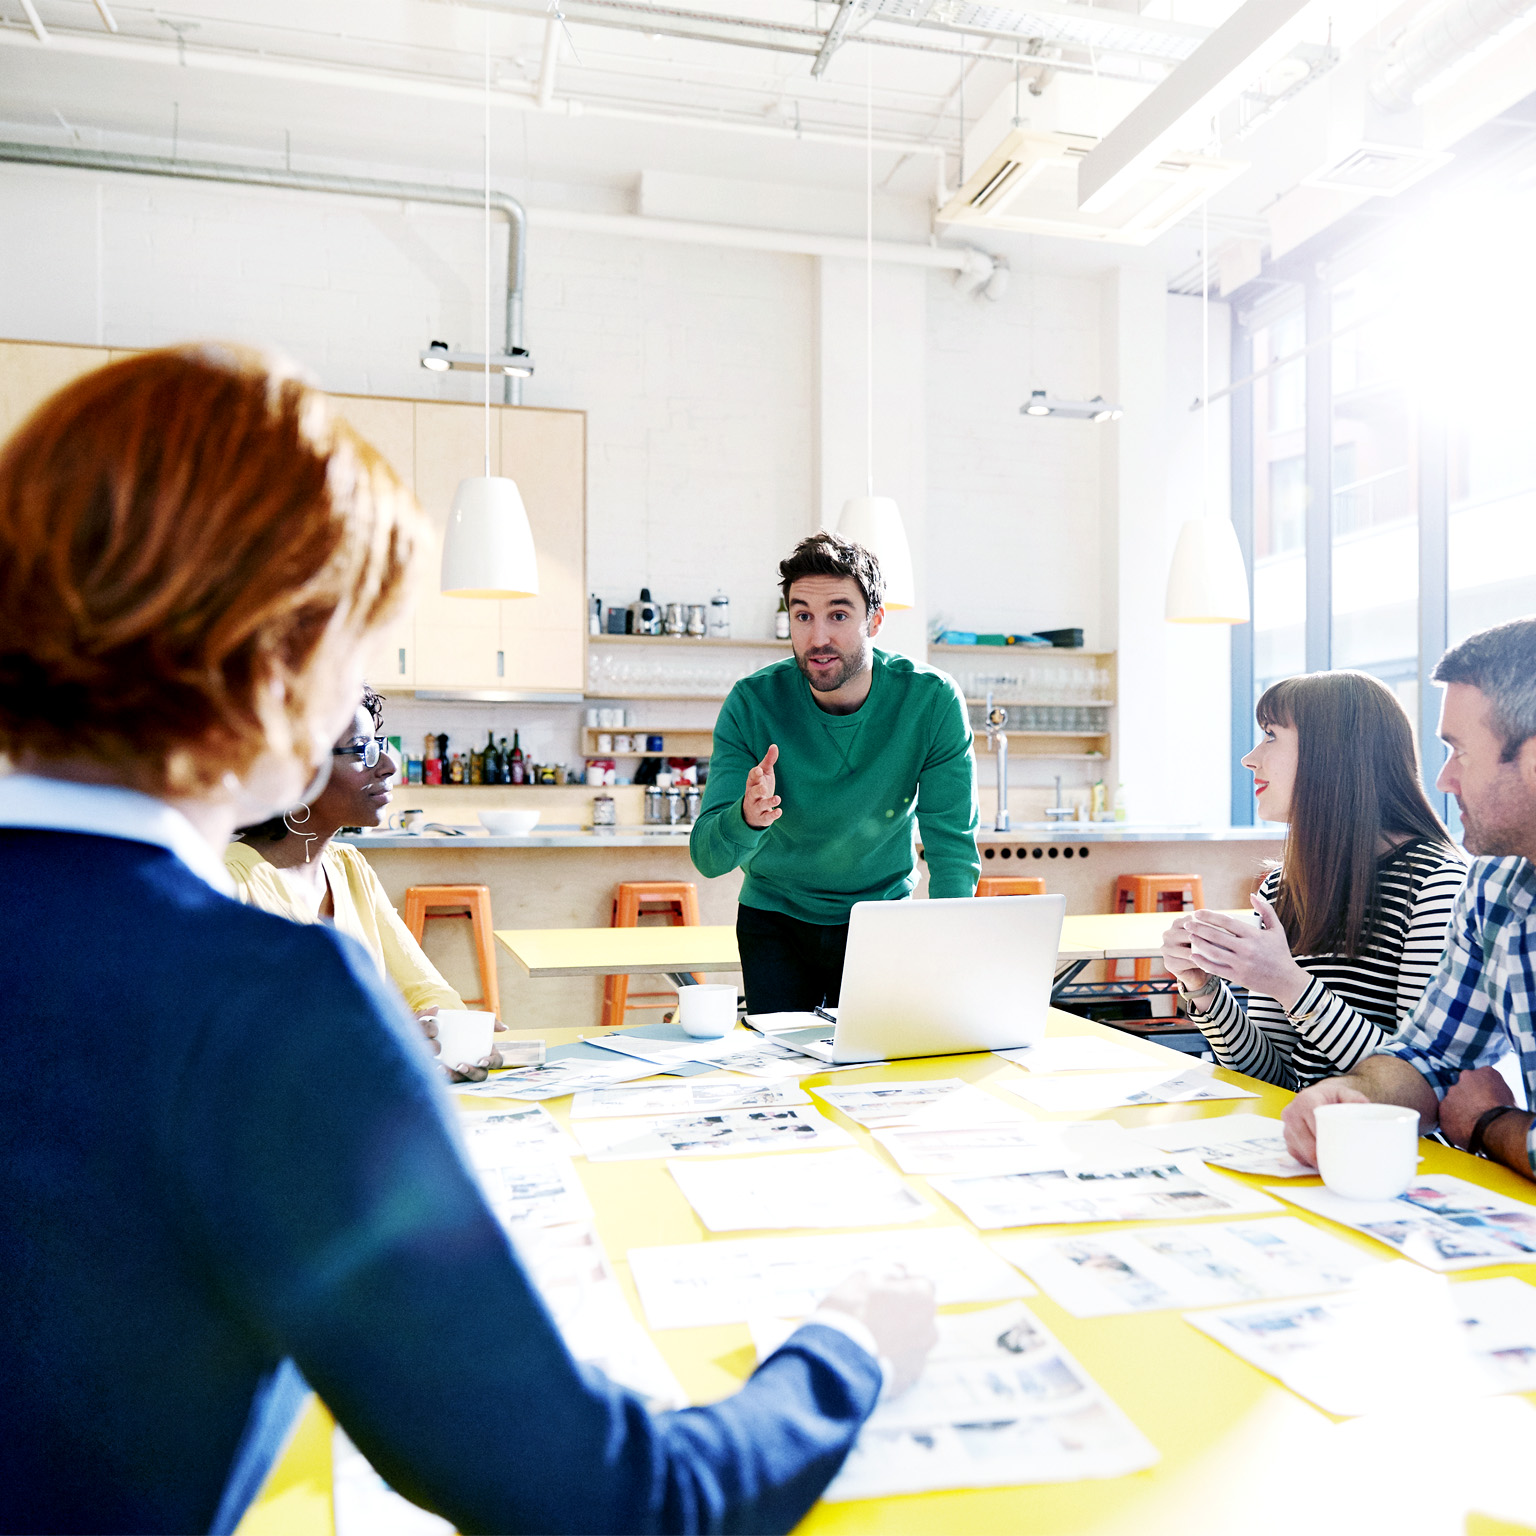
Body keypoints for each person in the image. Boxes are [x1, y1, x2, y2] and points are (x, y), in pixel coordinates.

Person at [0, 345, 936, 1535]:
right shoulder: (265, 1005)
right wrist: (847, 1345)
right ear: (279, 655)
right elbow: (609, 1502)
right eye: (359, 645)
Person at [1284, 619, 1536, 1179]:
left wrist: (1491, 1124)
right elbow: (1430, 1057)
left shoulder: (1436, 876)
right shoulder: (1495, 888)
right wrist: (1349, 1097)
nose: (1444, 780)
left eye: (1461, 752)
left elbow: (1469, 1108)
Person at [689, 533, 980, 1015]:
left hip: (881, 920)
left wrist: (946, 947)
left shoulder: (931, 701)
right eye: (802, 615)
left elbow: (951, 844)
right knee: (781, 1078)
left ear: (876, 620)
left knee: (881, 1074)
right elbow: (707, 857)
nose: (818, 637)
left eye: (838, 615)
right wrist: (746, 818)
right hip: (774, 919)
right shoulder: (752, 702)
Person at [1161, 671, 1467, 1090]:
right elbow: (1277, 1077)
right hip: (1306, 1138)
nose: (1250, 758)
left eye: (1270, 736)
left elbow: (1422, 1082)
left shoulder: (1437, 885)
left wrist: (1288, 984)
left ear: (1333, 754)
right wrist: (1206, 991)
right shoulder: (1285, 886)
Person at [226, 686, 499, 1079]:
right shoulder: (230, 885)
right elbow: (244, 1052)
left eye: (380, 744)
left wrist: (448, 1037)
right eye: (362, 749)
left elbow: (425, 988)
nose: (388, 765)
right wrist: (391, 1046)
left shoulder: (349, 867)